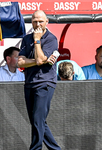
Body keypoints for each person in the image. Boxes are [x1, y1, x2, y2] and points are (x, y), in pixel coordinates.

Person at [17, 10, 61, 150]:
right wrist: (36, 61)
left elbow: (41, 59)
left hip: (45, 83)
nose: (37, 24)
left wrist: (37, 40)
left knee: (37, 120)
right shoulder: (26, 38)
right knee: (38, 121)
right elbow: (20, 62)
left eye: (40, 21)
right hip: (29, 83)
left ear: (47, 21)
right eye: (35, 21)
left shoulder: (50, 39)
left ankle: (35, 148)